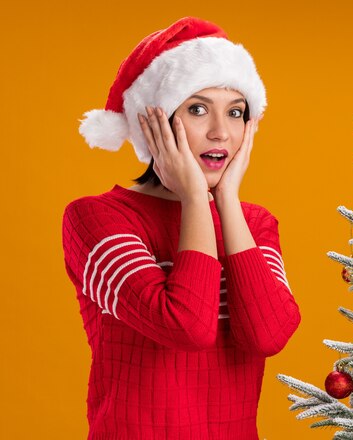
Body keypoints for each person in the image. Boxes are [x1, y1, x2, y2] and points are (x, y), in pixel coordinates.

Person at [61, 17, 301, 440]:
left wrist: (225, 200)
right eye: (197, 109)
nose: (220, 132)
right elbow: (187, 326)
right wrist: (195, 199)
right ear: (154, 122)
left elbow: (268, 335)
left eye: (235, 113)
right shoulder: (96, 218)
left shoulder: (255, 223)